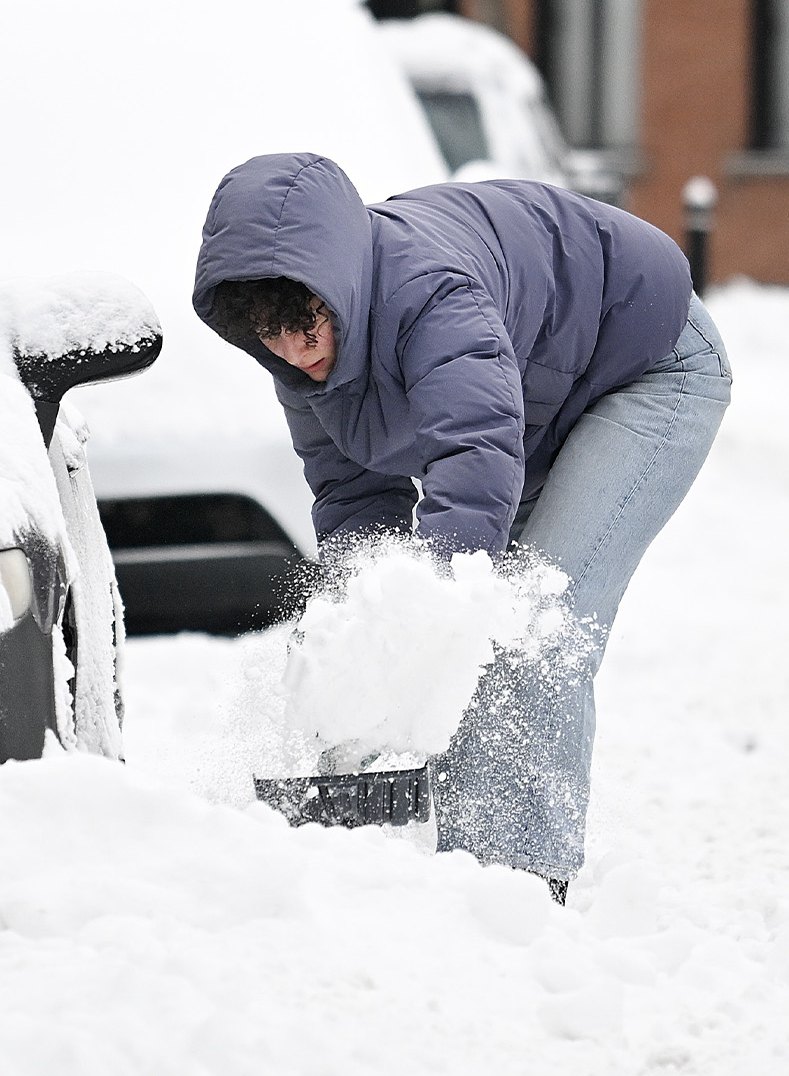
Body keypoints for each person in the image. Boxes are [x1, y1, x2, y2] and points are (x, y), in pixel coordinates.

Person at [194, 153, 732, 900]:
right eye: (271, 335)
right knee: (436, 621)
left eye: (304, 327)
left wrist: (430, 622)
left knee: (529, 620)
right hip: (545, 397)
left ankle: (513, 896)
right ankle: (445, 880)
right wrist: (364, 645)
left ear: (338, 285)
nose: (294, 352)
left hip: (647, 365)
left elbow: (472, 463)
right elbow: (354, 501)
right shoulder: (301, 362)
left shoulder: (430, 295)